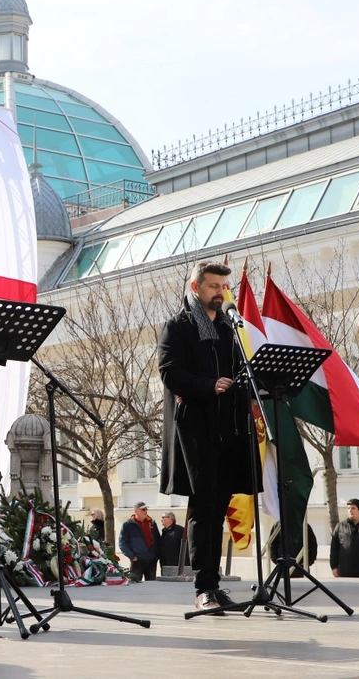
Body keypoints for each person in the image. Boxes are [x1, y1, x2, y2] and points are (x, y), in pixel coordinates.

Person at [158, 260, 259, 612]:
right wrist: (208, 385)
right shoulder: (178, 326)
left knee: (218, 510)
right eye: (213, 286)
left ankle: (214, 586)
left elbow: (240, 370)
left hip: (228, 430)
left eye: (223, 286)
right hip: (196, 433)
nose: (220, 292)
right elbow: (169, 372)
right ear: (195, 287)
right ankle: (203, 588)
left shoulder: (229, 327)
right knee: (202, 510)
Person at [119, 503, 160, 581]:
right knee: (135, 584)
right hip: (137, 561)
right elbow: (122, 543)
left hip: (151, 561)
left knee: (152, 585)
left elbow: (157, 539)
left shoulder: (152, 523)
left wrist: (156, 555)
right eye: (143, 509)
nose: (146, 511)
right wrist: (132, 556)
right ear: (136, 511)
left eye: (146, 509)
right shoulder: (127, 525)